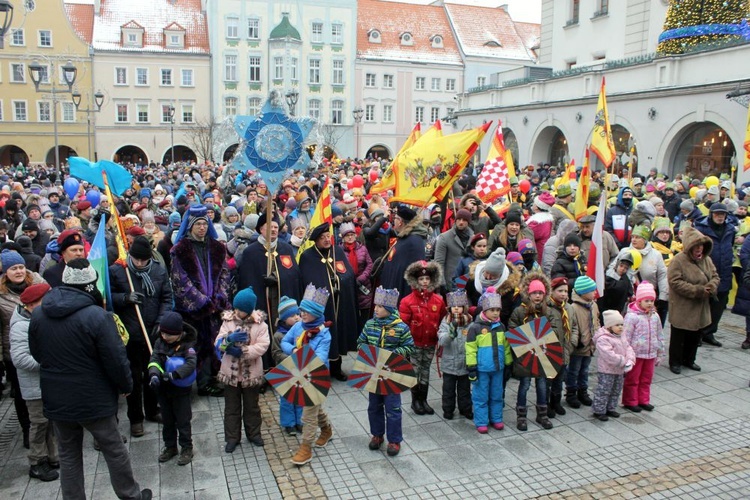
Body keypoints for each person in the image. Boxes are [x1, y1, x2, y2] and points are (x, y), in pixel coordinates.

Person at [29, 258, 151, 499]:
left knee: (68, 453)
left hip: (57, 398)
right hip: (93, 399)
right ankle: (130, 495)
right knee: (114, 450)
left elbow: (37, 353)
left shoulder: (40, 314)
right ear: (91, 285)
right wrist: (126, 385)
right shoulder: (98, 317)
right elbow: (116, 358)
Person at [110, 236, 173, 437]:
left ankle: (152, 410)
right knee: (134, 379)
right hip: (130, 335)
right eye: (136, 259)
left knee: (152, 374)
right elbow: (107, 298)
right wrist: (124, 298)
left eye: (143, 260)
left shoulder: (158, 270)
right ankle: (135, 418)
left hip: (152, 332)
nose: (139, 263)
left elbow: (166, 297)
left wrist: (160, 322)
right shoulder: (118, 271)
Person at [170, 205, 231, 396]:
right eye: (198, 224)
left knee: (217, 341)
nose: (202, 228)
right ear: (190, 226)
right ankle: (203, 383)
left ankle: (217, 377)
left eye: (205, 224)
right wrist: (202, 301)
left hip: (215, 307)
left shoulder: (217, 247)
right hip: (194, 310)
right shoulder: (180, 250)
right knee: (198, 345)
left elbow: (224, 274)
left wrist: (219, 297)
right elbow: (180, 280)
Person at [282, 284, 335, 466]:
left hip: (316, 378)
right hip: (298, 374)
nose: (302, 314)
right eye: (301, 310)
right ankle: (327, 429)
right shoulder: (297, 327)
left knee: (308, 415)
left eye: (307, 311)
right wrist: (295, 349)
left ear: (317, 313)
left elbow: (320, 358)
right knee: (314, 408)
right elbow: (284, 342)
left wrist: (301, 354)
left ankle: (306, 448)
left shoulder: (324, 334)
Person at [358, 286, 414, 457]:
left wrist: (394, 354)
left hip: (392, 373)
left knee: (393, 407)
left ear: (389, 309)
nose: (375, 309)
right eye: (375, 305)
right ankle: (377, 434)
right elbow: (360, 342)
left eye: (380, 306)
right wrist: (367, 351)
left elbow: (409, 347)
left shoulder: (401, 328)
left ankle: (394, 440)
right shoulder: (370, 325)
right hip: (374, 371)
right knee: (374, 406)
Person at [9, 283, 57, 481]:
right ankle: (37, 462)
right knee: (38, 424)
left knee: (50, 422)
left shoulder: (40, 319)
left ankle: (53, 456)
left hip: (46, 383)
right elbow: (19, 358)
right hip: (34, 387)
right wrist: (47, 362)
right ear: (31, 304)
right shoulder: (21, 326)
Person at [298, 222, 358, 381]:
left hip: (339, 303)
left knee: (338, 334)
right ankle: (319, 370)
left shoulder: (336, 251)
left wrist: (338, 281)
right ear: (316, 240)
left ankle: (337, 368)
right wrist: (328, 288)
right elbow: (308, 283)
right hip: (321, 307)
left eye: (328, 236)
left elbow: (348, 274)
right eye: (322, 237)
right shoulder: (308, 256)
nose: (326, 240)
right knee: (321, 337)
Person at [215, 287, 270, 453]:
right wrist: (228, 341)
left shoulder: (261, 324)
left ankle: (254, 434)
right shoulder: (228, 321)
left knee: (252, 406)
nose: (238, 312)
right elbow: (218, 342)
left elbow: (263, 345)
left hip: (251, 373)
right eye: (236, 308)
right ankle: (232, 438)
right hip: (230, 374)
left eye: (242, 310)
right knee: (231, 408)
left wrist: (245, 352)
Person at [0, 249, 45, 451]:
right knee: (22, 394)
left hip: (42, 343)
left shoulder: (37, 283)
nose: (18, 271)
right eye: (13, 268)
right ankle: (28, 429)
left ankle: (45, 429)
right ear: (5, 271)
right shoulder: (2, 295)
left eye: (20, 267)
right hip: (14, 349)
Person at [148, 312, 197, 466]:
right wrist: (154, 374)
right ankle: (170, 447)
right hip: (164, 390)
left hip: (181, 391)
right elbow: (154, 359)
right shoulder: (159, 342)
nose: (165, 336)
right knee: (167, 421)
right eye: (163, 333)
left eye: (169, 334)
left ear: (178, 333)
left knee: (183, 421)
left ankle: (186, 447)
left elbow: (190, 364)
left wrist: (175, 375)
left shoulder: (187, 346)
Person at [667, 227, 719, 375]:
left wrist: (711, 286)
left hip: (701, 306)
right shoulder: (678, 260)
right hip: (683, 306)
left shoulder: (707, 260)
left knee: (695, 335)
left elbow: (715, 276)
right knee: (679, 336)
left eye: (701, 247)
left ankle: (689, 359)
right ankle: (675, 362)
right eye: (696, 247)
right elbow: (675, 282)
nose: (699, 250)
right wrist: (698, 290)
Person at [508, 272, 554, 430]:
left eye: (541, 293)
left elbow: (553, 330)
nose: (538, 296)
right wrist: (527, 340)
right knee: (525, 385)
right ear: (528, 294)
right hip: (525, 356)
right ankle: (521, 415)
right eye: (535, 292)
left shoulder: (548, 311)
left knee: (542, 385)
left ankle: (542, 414)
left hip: (542, 355)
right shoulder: (519, 311)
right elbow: (512, 329)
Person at [399, 260, 446, 416]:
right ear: (415, 281)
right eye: (421, 279)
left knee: (425, 371)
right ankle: (415, 401)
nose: (425, 282)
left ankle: (423, 399)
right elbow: (403, 325)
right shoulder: (407, 301)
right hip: (415, 343)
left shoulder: (438, 300)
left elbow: (442, 320)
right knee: (415, 371)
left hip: (430, 342)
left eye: (427, 279)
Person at [465, 287, 512, 434]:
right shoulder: (475, 328)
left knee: (497, 395)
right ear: (484, 310)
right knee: (481, 396)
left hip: (498, 368)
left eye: (498, 310)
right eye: (492, 310)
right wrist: (471, 367)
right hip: (482, 369)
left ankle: (496, 418)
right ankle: (481, 421)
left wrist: (508, 363)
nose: (496, 313)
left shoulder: (501, 327)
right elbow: (471, 349)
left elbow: (505, 347)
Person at [694, 202, 736, 347]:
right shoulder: (701, 228)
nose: (720, 217)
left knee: (718, 306)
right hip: (705, 271)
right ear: (711, 214)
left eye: (723, 214)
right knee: (703, 305)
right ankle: (697, 334)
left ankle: (709, 333)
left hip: (724, 271)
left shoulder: (730, 228)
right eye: (717, 214)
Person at [622, 282, 665, 413]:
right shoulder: (632, 317)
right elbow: (626, 337)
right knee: (633, 379)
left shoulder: (655, 316)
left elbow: (659, 334)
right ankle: (630, 400)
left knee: (646, 378)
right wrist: (626, 355)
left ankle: (643, 400)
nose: (650, 303)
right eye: (647, 300)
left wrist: (660, 352)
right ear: (639, 300)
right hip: (636, 354)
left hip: (650, 353)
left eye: (652, 300)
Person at [592, 310, 635, 421]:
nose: (620, 327)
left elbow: (628, 348)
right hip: (607, 370)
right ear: (609, 326)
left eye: (621, 324)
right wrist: (623, 361)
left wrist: (630, 359)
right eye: (617, 325)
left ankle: (610, 408)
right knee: (604, 390)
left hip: (619, 370)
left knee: (616, 389)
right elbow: (609, 355)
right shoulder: (603, 339)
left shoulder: (622, 336)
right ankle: (599, 410)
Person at [437, 289, 473, 421]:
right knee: (448, 390)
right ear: (449, 308)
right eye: (454, 307)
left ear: (464, 308)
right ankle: (448, 409)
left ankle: (465, 409)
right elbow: (442, 340)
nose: (456, 309)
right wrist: (450, 335)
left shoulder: (470, 323)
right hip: (449, 364)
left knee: (464, 390)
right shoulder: (445, 322)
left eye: (459, 306)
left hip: (464, 363)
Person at [545, 277, 578, 419]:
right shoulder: (546, 308)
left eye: (566, 291)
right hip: (550, 352)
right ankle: (545, 404)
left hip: (565, 350)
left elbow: (574, 326)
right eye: (560, 291)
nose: (564, 294)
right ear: (552, 291)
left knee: (559, 380)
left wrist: (572, 343)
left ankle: (556, 402)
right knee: (548, 381)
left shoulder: (569, 308)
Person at [379, 205, 428, 299]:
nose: (393, 220)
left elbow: (415, 272)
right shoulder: (403, 238)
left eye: (395, 218)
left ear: (400, 222)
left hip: (402, 294)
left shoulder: (414, 241)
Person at [566, 276, 600, 409]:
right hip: (578, 346)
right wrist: (577, 340)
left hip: (590, 345)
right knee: (573, 370)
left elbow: (596, 321)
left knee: (584, 370)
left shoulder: (593, 305)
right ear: (583, 292)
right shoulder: (573, 307)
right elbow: (571, 326)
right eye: (592, 291)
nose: (595, 293)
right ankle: (571, 393)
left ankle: (583, 391)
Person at [271, 296, 303, 436]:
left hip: (300, 370)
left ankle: (300, 421)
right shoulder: (278, 335)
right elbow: (276, 353)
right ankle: (289, 423)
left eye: (297, 314)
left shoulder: (301, 330)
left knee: (301, 396)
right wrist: (290, 357)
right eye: (292, 316)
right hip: (285, 370)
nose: (296, 317)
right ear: (284, 319)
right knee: (287, 399)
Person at [339, 222, 374, 334]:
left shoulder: (362, 248)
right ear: (343, 237)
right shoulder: (339, 251)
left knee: (364, 312)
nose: (350, 237)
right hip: (347, 286)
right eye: (347, 235)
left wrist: (362, 278)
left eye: (352, 235)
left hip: (363, 285)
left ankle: (364, 335)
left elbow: (369, 265)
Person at [434, 208, 474, 291]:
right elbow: (439, 262)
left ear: (469, 222)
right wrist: (442, 284)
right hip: (451, 283)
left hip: (470, 283)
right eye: (459, 219)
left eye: (464, 220)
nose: (461, 222)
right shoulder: (444, 237)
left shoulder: (473, 237)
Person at [599, 249, 637, 316]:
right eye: (621, 266)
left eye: (626, 268)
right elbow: (615, 288)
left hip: (618, 311)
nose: (623, 269)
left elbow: (629, 292)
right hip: (605, 310)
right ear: (617, 265)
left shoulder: (626, 279)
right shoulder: (608, 277)